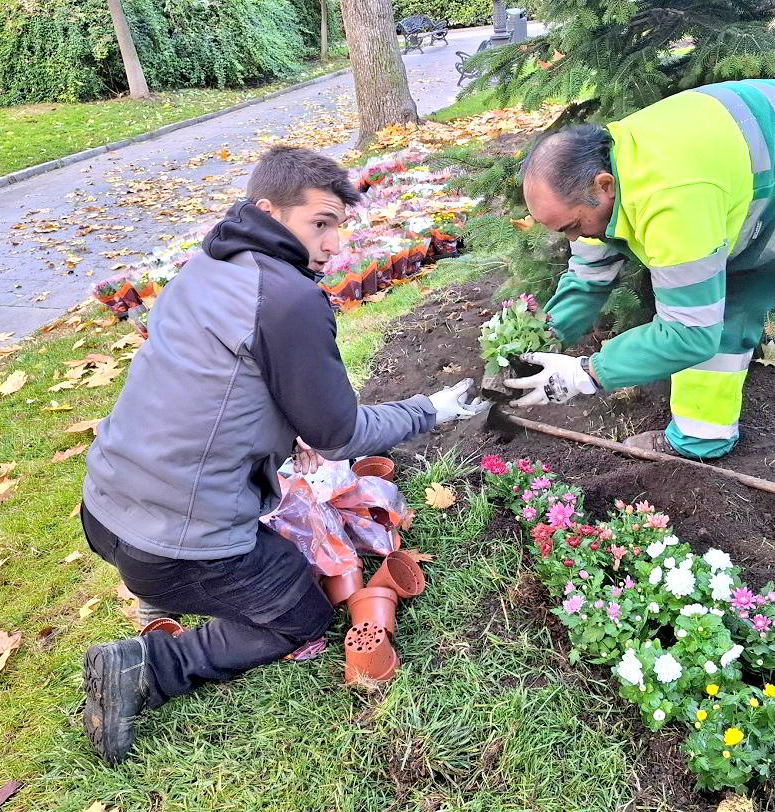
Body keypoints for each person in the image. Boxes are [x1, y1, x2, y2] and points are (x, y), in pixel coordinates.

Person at [79, 146, 487, 764]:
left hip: (105, 509)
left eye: (338, 226)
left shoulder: (210, 264)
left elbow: (219, 389)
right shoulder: (288, 298)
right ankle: (152, 666)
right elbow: (338, 436)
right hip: (173, 542)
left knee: (261, 558)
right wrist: (430, 408)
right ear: (270, 211)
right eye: (319, 223)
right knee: (300, 612)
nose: (333, 245)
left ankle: (161, 592)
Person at [507, 79, 775, 621]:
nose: (574, 237)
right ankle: (699, 436)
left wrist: (586, 373)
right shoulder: (605, 176)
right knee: (725, 308)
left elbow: (688, 333)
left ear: (604, 186)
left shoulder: (674, 198)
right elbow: (589, 276)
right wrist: (535, 342)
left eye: (573, 225)